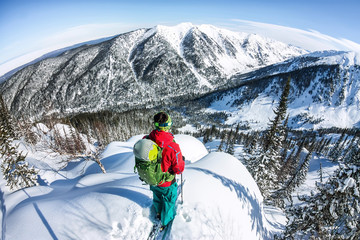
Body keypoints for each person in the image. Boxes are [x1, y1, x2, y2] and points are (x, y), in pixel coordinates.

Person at [144, 111, 185, 229]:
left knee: (157, 196)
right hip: (167, 182)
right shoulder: (173, 146)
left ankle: (158, 212)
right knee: (169, 201)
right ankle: (166, 221)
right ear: (168, 126)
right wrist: (181, 160)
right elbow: (178, 169)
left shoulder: (147, 139)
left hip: (152, 179)